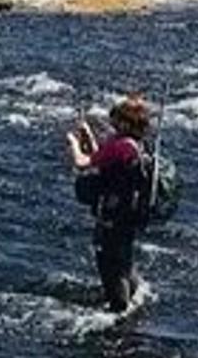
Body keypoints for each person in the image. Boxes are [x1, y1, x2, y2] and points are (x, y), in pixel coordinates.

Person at [66, 95, 154, 312]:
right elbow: (102, 158)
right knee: (123, 258)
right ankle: (134, 296)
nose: (112, 124)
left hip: (113, 217)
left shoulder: (120, 146)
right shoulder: (135, 145)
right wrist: (88, 136)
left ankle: (119, 311)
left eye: (115, 120)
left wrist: (74, 144)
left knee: (109, 263)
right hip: (129, 214)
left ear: (125, 123)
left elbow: (83, 162)